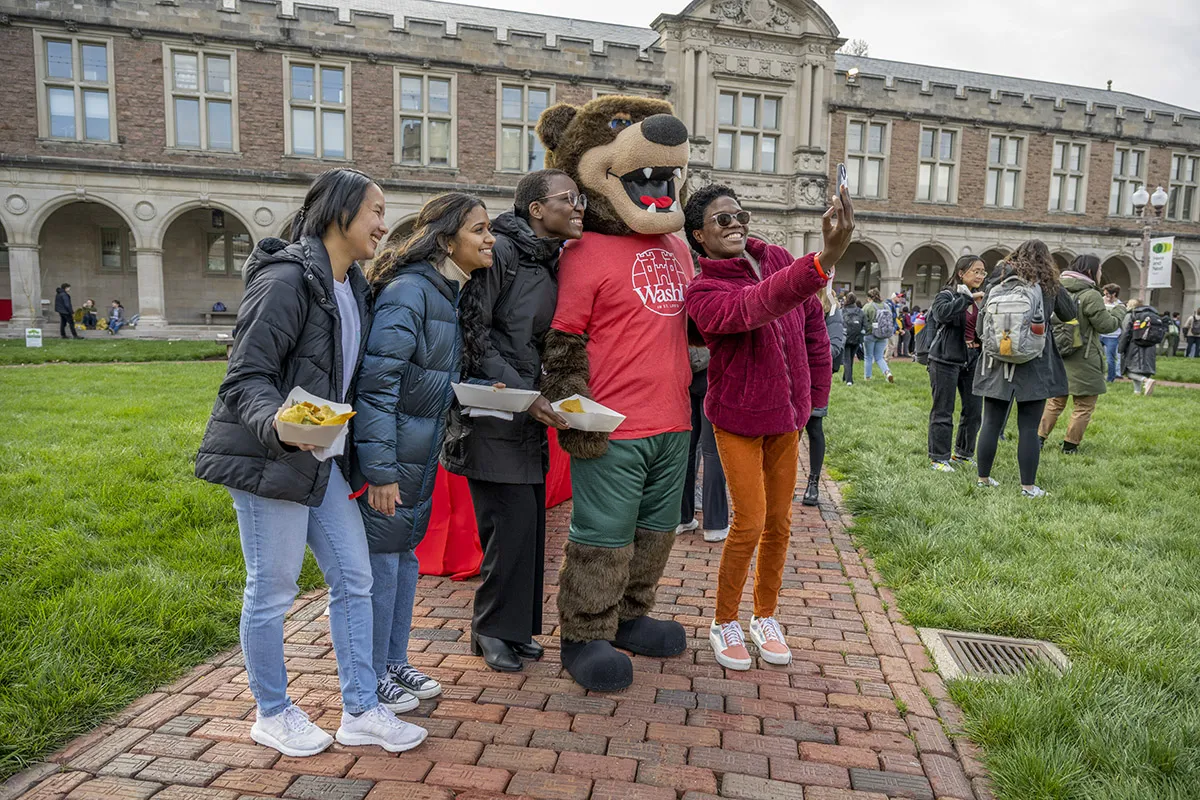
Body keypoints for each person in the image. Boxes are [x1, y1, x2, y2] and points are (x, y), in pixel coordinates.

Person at [195, 168, 426, 757]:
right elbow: (246, 376)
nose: (382, 224)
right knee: (271, 591)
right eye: (375, 212)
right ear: (338, 214)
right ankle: (272, 712)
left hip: (321, 461)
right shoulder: (286, 280)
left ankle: (361, 711)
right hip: (269, 455)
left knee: (355, 577)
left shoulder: (355, 287)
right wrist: (278, 424)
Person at [685, 183, 851, 671]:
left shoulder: (778, 256)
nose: (736, 223)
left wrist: (814, 400)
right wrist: (823, 260)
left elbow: (813, 332)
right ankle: (724, 620)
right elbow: (752, 307)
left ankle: (766, 616)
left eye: (741, 214)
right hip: (738, 421)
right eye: (722, 219)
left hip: (788, 420)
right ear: (699, 235)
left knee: (780, 524)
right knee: (750, 523)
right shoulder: (704, 290)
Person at [354, 193, 496, 703]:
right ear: (445, 239)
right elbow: (377, 387)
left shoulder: (446, 295)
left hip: (416, 454)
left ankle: (394, 662)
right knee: (383, 565)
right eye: (479, 230)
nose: (490, 239)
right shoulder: (410, 293)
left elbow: (424, 380)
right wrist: (381, 471)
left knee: (403, 559)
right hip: (392, 460)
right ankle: (371, 676)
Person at [442, 171, 580, 673]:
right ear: (537, 210)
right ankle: (490, 629)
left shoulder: (550, 259)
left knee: (529, 525)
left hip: (526, 411)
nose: (579, 206)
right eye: (569, 198)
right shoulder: (500, 251)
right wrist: (521, 394)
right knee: (507, 524)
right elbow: (473, 329)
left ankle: (518, 628)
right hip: (493, 409)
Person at [973, 240, 1076, 498]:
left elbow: (981, 323)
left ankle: (983, 479)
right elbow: (1069, 312)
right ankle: (1028, 488)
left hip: (997, 359)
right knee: (1029, 427)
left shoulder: (998, 278)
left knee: (991, 422)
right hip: (1034, 359)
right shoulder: (1047, 282)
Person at [1037, 255, 1126, 454]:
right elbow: (1106, 325)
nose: (1100, 273)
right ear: (1090, 271)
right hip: (1084, 357)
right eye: (1099, 269)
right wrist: (1120, 310)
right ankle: (1070, 446)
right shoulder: (1090, 295)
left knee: (1055, 402)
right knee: (1084, 405)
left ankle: (1038, 439)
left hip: (1058, 354)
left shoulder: (1055, 289)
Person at [926, 256, 987, 472]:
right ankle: (938, 458)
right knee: (943, 409)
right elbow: (941, 314)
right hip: (945, 358)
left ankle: (963, 453)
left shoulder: (983, 298)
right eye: (975, 271)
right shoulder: (947, 294)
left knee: (973, 410)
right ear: (961, 273)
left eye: (982, 272)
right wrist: (967, 299)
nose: (980, 276)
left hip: (973, 358)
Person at [679, 338, 731, 543]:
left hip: (684, 369)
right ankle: (715, 523)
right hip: (711, 368)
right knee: (712, 451)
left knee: (686, 449)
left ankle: (682, 517)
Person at [803, 283, 845, 506]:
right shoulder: (798, 304)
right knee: (789, 433)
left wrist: (808, 354)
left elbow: (836, 345)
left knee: (814, 428)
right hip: (794, 378)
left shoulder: (832, 311)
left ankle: (813, 482)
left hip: (816, 379)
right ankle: (784, 480)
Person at [1119, 298, 1160, 395]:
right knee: (1140, 370)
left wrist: (1121, 347)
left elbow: (1125, 332)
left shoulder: (1131, 315)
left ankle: (1146, 381)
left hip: (1134, 345)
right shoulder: (1152, 314)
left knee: (1129, 370)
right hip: (1150, 346)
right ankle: (1137, 391)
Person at [862, 288, 895, 382]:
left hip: (870, 335)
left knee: (868, 357)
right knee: (879, 357)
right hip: (883, 334)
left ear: (869, 297)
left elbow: (862, 318)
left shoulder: (868, 307)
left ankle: (868, 377)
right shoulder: (886, 306)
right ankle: (887, 373)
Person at [1099, 284, 1123, 380]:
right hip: (1099, 333)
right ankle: (1098, 376)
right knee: (1096, 357)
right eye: (1105, 294)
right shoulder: (1100, 300)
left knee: (1110, 359)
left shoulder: (1119, 305)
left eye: (1108, 294)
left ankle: (1110, 378)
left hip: (1112, 335)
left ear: (1114, 294)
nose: (1106, 296)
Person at [841, 292, 864, 385]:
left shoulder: (842, 310)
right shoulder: (860, 311)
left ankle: (848, 380)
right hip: (856, 337)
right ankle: (845, 377)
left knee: (846, 359)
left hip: (846, 336)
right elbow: (865, 324)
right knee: (851, 358)